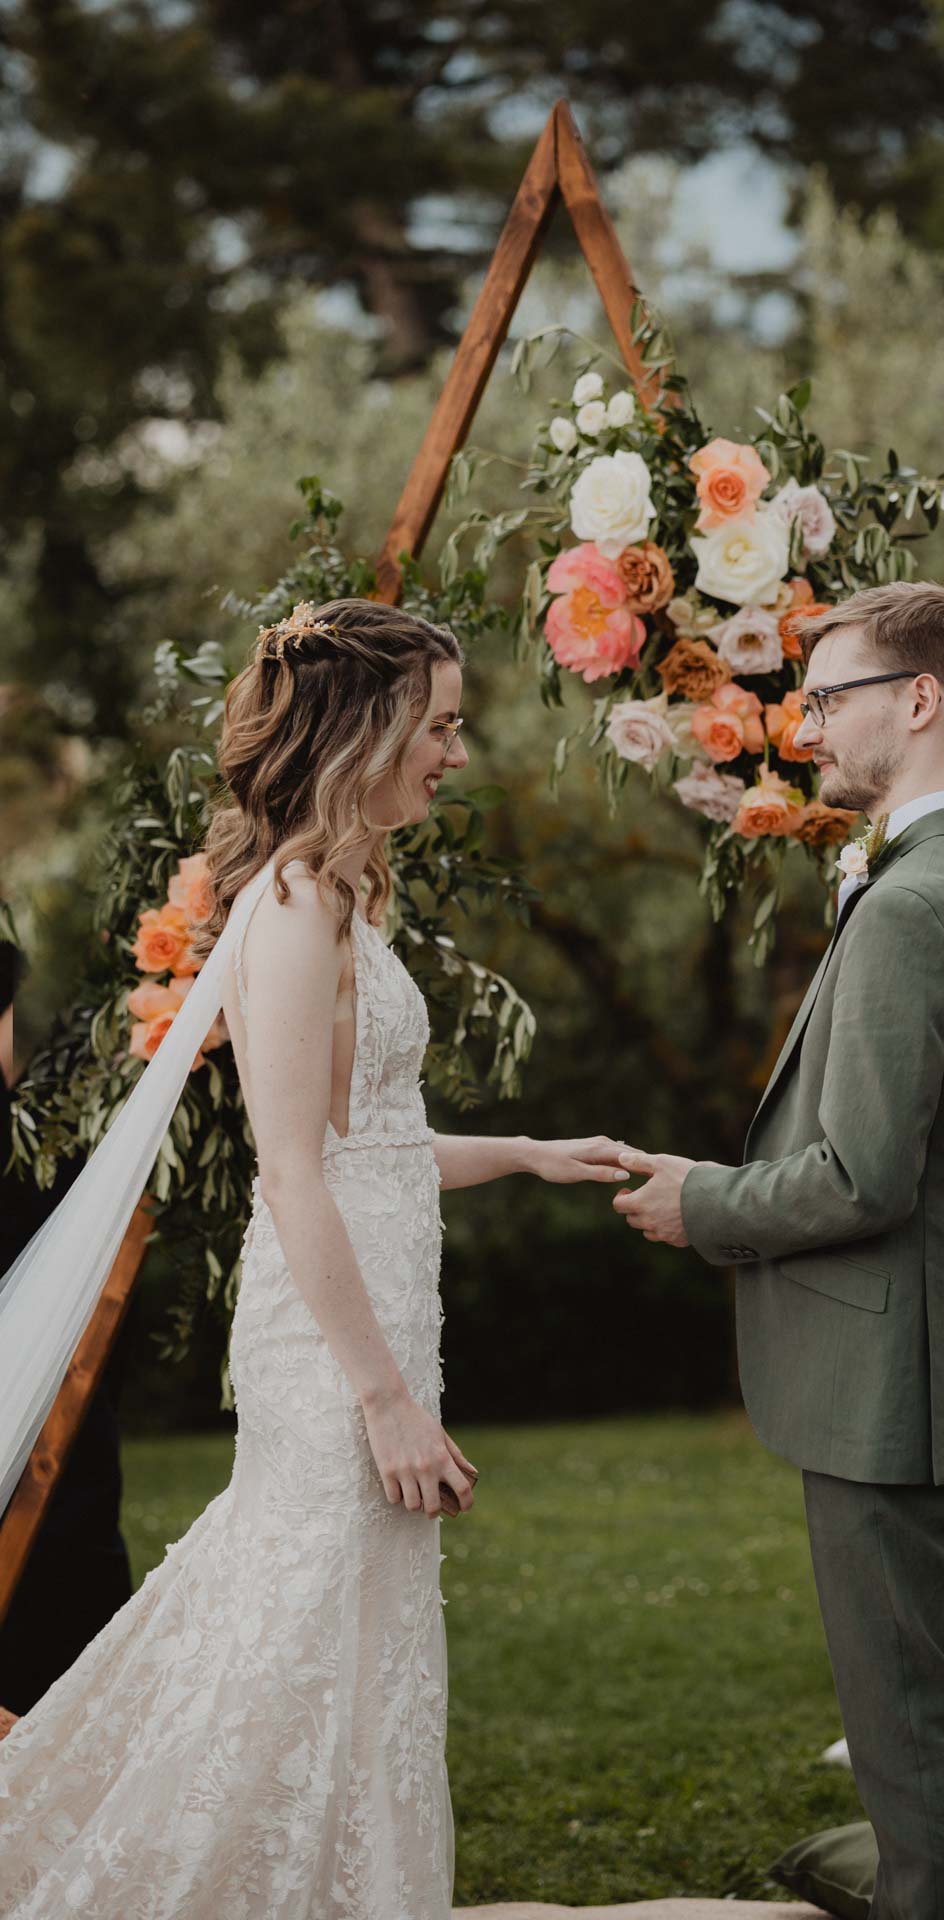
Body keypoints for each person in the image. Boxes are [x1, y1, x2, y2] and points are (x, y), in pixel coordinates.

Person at [0, 598, 630, 1918]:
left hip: (381, 1308)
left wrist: (522, 1148)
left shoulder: (341, 891)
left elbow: (373, 1149)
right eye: (441, 726)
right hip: (334, 1342)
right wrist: (381, 1395)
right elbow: (293, 1169)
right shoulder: (289, 902)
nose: (456, 753)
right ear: (369, 725)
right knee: (288, 1626)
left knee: (348, 1633)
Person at [614, 582, 944, 1920]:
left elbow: (866, 1174)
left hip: (893, 1389)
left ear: (918, 702)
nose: (806, 728)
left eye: (829, 696)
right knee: (922, 1736)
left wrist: (706, 1204)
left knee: (918, 1751)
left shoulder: (920, 903)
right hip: (906, 1373)